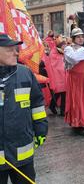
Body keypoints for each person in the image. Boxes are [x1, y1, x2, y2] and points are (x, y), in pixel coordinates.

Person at [0, 34, 48, 184]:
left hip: (22, 152)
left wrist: (41, 127)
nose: (16, 52)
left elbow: (37, 102)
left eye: (16, 49)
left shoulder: (25, 73)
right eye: (10, 49)